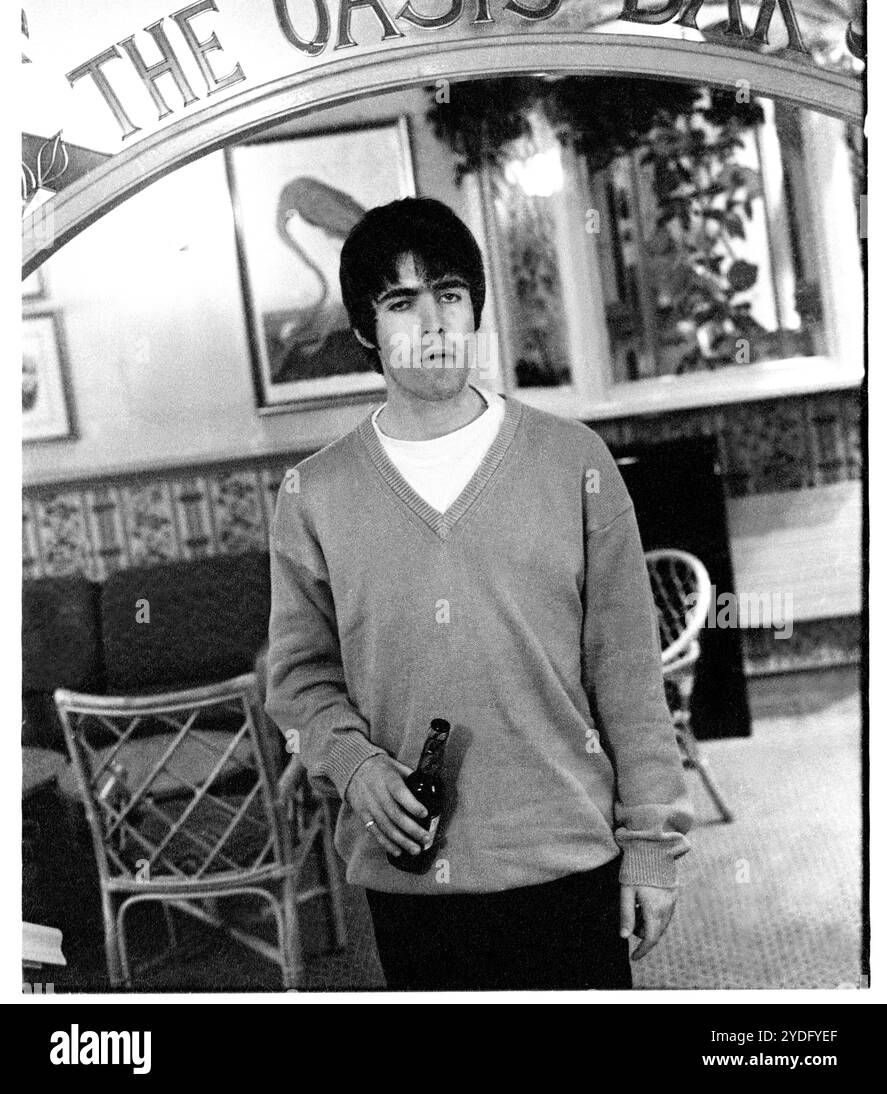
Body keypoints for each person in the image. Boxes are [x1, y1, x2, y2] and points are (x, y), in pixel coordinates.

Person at [265, 196, 692, 991]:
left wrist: (651, 844)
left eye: (450, 295)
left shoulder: (574, 462)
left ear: (474, 311)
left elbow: (628, 670)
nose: (432, 322)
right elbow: (296, 680)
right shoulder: (313, 494)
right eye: (401, 302)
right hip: (412, 877)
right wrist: (353, 767)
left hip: (569, 857)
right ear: (364, 328)